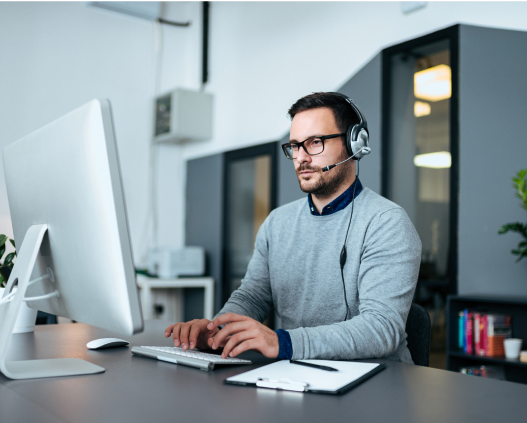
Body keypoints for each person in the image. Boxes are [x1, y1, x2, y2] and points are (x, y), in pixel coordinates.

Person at [165, 92, 421, 364]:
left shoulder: (386, 222)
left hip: (376, 385)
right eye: (295, 146)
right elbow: (252, 298)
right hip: (297, 374)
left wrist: (282, 342)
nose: (301, 157)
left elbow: (382, 328)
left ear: (353, 144)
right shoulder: (277, 223)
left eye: (315, 143)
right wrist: (215, 333)